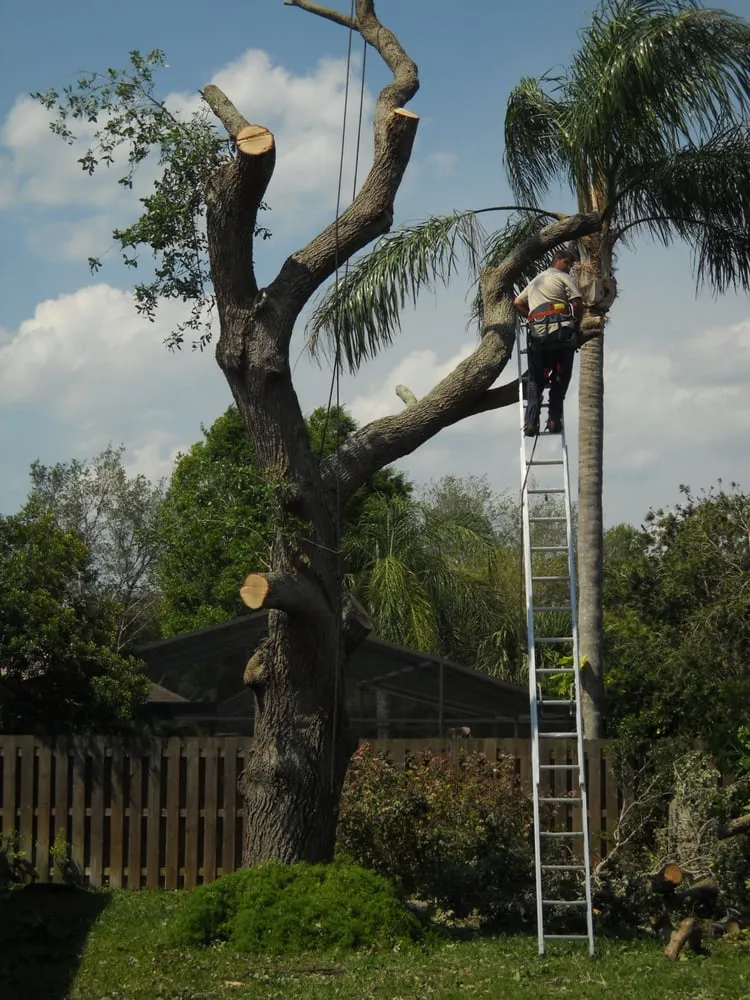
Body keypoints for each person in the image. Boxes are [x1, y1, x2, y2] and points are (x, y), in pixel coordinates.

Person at [513, 247, 583, 435]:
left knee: (536, 380)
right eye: (567, 263)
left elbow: (517, 302)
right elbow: (576, 302)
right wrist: (576, 325)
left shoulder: (536, 280)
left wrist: (532, 317)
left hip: (539, 338)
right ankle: (553, 420)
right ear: (557, 260)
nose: (569, 268)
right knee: (561, 378)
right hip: (562, 337)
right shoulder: (563, 277)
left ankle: (530, 423)